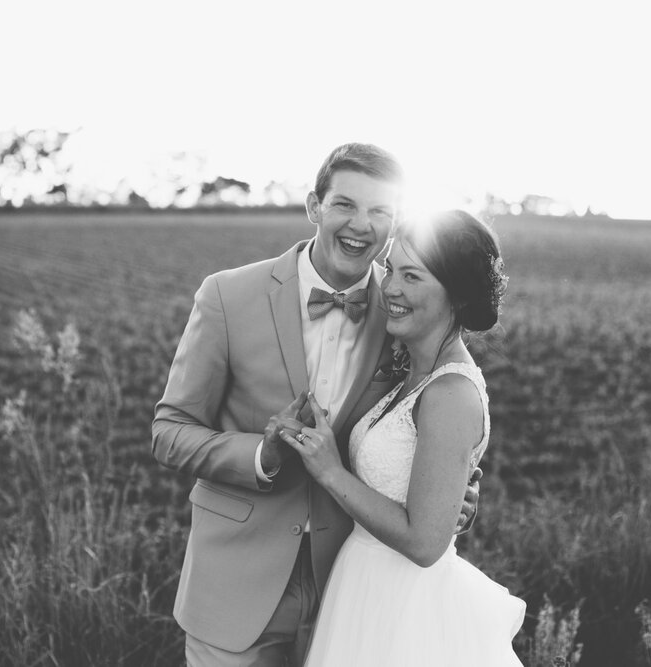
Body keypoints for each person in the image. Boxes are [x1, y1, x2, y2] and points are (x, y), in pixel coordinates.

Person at [151, 143, 481, 666]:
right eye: (345, 204)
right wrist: (262, 455)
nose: (361, 224)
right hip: (236, 583)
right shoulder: (227, 296)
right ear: (314, 207)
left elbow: (430, 417)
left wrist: (447, 498)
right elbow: (170, 430)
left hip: (348, 589)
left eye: (380, 211)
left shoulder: (401, 310)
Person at [283, 209, 526, 666]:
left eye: (411, 276)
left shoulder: (450, 393)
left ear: (455, 295)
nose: (390, 287)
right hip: (362, 585)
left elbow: (424, 543)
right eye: (391, 269)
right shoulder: (409, 368)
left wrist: (332, 472)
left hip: (405, 609)